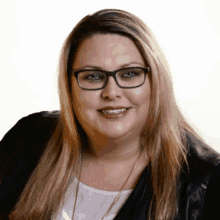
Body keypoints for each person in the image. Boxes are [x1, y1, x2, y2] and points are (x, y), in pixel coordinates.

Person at [0, 8, 220, 220]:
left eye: (130, 74)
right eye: (93, 76)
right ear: (69, 86)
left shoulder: (208, 181)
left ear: (156, 82)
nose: (111, 92)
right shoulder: (27, 139)